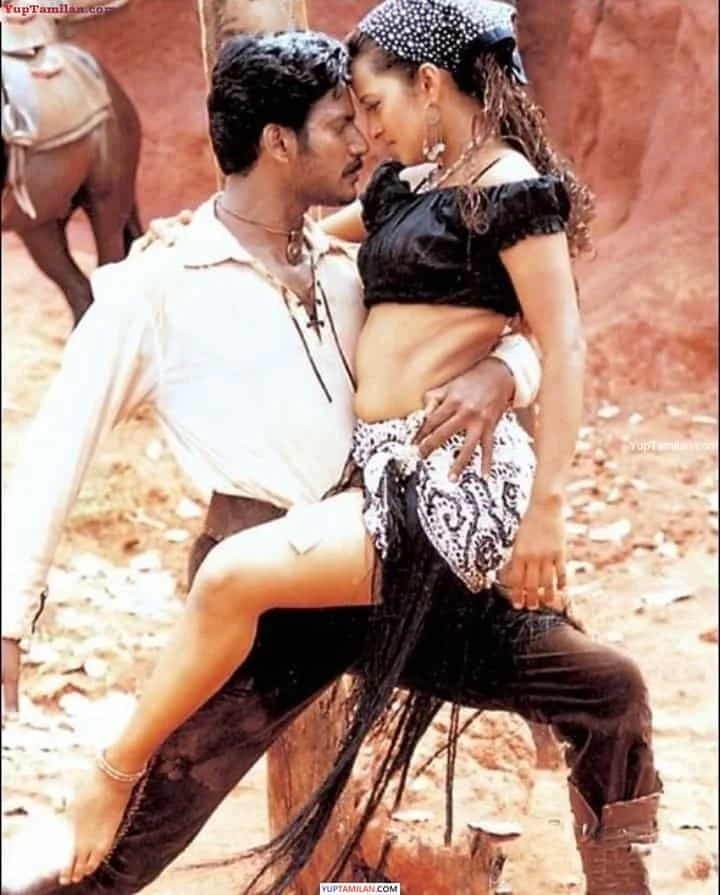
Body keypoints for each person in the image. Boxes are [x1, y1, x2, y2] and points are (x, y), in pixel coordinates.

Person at [1, 17, 659, 895]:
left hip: (405, 554)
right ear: (280, 142)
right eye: (344, 122)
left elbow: (510, 318)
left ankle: (620, 881)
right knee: (138, 826)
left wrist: (506, 371)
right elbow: (55, 449)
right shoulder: (156, 290)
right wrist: (8, 619)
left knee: (608, 687)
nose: (365, 139)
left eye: (367, 111)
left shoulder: (355, 264)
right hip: (277, 595)